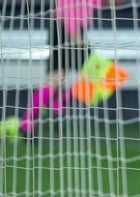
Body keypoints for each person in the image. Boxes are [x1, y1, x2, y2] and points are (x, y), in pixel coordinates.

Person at [17, 0, 120, 137]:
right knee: (103, 74)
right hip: (68, 29)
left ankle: (29, 121)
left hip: (65, 29)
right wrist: (75, 35)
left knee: (57, 76)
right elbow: (65, 6)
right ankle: (57, 105)